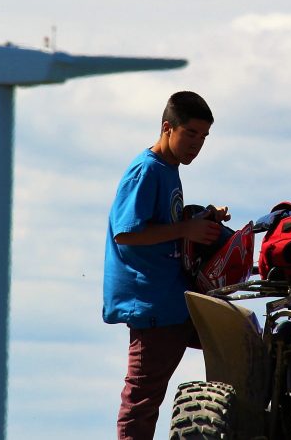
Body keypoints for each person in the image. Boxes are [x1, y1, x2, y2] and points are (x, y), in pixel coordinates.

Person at [103, 90, 229, 440]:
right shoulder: (147, 170)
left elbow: (165, 225)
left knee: (239, 347)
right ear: (167, 128)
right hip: (152, 303)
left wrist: (201, 219)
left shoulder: (169, 169)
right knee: (142, 397)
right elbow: (126, 233)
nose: (197, 144)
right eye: (190, 134)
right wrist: (187, 228)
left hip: (175, 299)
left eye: (203, 137)